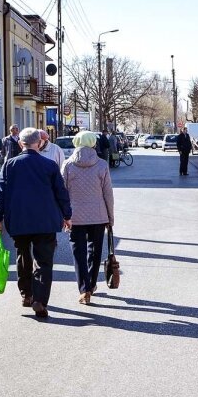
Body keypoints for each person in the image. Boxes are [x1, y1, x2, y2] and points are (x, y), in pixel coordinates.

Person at [0, 127, 72, 318]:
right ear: (40, 143)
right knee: (44, 261)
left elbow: (0, 192)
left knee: (22, 256)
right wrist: (67, 216)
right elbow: (61, 193)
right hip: (45, 221)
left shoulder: (9, 165)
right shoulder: (50, 165)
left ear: (21, 144)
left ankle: (26, 294)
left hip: (18, 220)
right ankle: (40, 300)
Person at [61, 131, 114, 305]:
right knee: (95, 251)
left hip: (74, 216)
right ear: (93, 143)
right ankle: (91, 285)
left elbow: (63, 193)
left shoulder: (68, 165)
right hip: (98, 216)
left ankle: (84, 290)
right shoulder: (101, 165)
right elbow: (108, 193)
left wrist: (63, 216)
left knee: (79, 253)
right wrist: (110, 217)